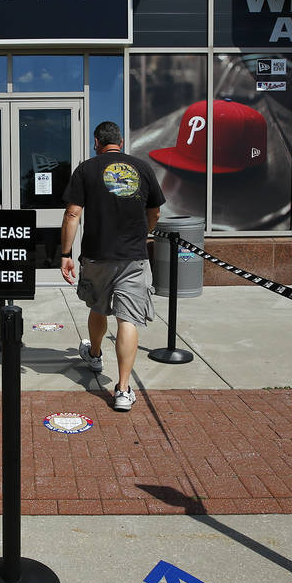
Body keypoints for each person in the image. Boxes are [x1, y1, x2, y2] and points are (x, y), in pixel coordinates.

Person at [60, 121, 165, 411]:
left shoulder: (86, 169)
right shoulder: (142, 168)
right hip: (133, 255)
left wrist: (65, 253)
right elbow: (154, 210)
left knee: (97, 306)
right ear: (120, 140)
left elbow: (72, 214)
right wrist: (145, 233)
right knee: (127, 319)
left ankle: (94, 355)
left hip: (96, 255)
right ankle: (122, 389)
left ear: (96, 142)